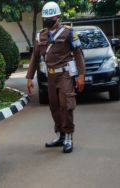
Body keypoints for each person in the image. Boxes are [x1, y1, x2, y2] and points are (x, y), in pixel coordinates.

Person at [26, 1, 85, 153]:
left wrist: (81, 76)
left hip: (65, 74)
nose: (48, 19)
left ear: (58, 16)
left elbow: (78, 54)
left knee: (66, 105)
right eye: (46, 17)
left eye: (51, 16)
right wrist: (29, 78)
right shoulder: (40, 36)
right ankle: (60, 135)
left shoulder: (68, 32)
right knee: (54, 106)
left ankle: (69, 137)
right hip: (50, 76)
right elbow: (35, 57)